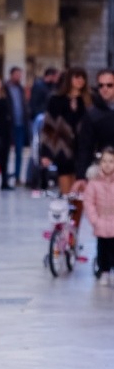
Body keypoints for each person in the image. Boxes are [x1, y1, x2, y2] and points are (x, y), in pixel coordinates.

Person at [39, 67, 90, 196]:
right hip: (63, 149)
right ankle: (66, 209)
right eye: (76, 77)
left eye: (83, 77)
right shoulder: (56, 99)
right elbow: (49, 127)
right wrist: (46, 153)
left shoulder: (90, 99)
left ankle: (76, 210)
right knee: (67, 193)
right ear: (69, 79)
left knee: (81, 194)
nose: (80, 80)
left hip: (84, 149)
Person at [75, 69, 114, 184]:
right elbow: (85, 147)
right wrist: (81, 176)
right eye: (101, 85)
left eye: (109, 85)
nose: (104, 89)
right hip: (102, 170)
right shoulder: (92, 114)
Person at [83, 145, 114, 285]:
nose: (107, 165)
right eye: (105, 161)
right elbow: (89, 202)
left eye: (111, 161)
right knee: (102, 249)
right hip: (101, 221)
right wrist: (95, 220)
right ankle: (104, 271)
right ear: (100, 163)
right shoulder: (94, 182)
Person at [5, 65, 29, 186]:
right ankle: (5, 176)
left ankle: (17, 176)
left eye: (20, 75)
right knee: (6, 152)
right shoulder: (5, 88)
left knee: (19, 152)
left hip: (20, 124)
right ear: (11, 75)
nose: (19, 77)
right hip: (9, 125)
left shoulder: (20, 89)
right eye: (17, 74)